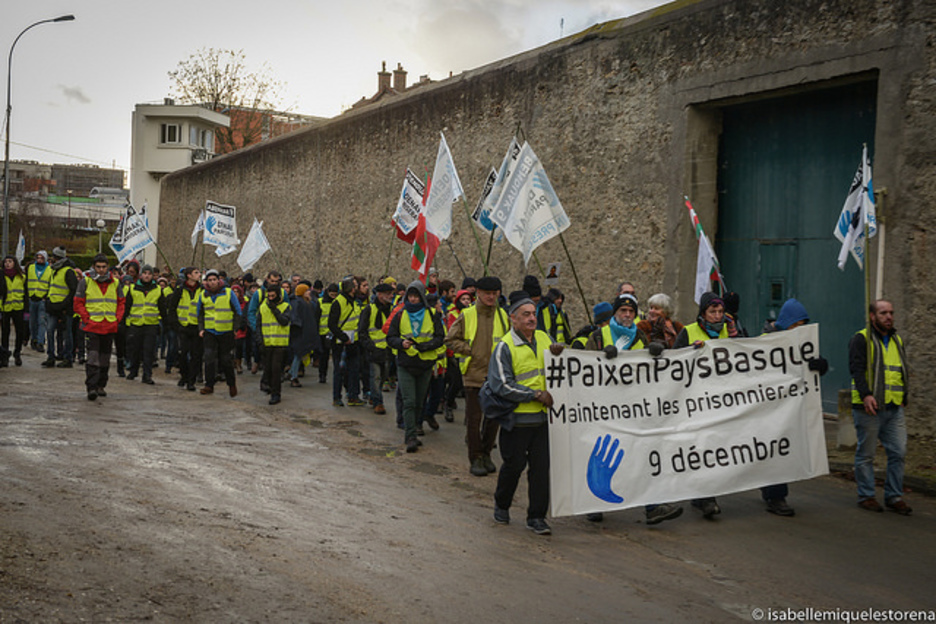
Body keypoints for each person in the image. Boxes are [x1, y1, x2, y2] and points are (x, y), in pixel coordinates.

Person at [584, 293, 684, 525]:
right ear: (615, 313)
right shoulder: (598, 337)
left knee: (643, 454)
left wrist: (656, 353)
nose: (627, 315)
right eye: (623, 311)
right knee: (601, 455)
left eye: (631, 312)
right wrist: (600, 358)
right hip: (604, 408)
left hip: (634, 407)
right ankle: (593, 504)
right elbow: (582, 369)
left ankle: (652, 507)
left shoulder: (639, 336)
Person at [488, 291, 561, 535]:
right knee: (513, 466)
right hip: (516, 421)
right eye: (526, 315)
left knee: (541, 471)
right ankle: (502, 504)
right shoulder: (504, 347)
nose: (532, 319)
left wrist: (561, 352)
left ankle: (537, 517)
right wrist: (535, 395)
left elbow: (561, 365)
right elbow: (501, 385)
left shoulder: (543, 337)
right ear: (513, 319)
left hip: (542, 421)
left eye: (533, 314)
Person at [758, 298, 829, 517]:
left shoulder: (803, 343)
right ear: (785, 323)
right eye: (795, 325)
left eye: (802, 325)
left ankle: (773, 491)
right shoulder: (764, 341)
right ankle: (776, 496)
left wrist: (820, 366)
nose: (799, 329)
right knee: (774, 451)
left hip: (790, 408)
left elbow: (810, 368)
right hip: (767, 406)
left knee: (781, 451)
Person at [849, 299, 912, 515]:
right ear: (873, 316)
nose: (889, 317)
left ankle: (894, 496)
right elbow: (856, 369)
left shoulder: (896, 340)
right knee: (866, 454)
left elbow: (900, 369)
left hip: (894, 406)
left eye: (891, 313)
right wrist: (866, 394)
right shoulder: (861, 338)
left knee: (899, 451)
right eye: (883, 313)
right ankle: (866, 495)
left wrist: (904, 394)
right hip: (869, 407)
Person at [444, 276, 510, 476]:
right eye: (487, 293)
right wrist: (469, 350)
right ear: (478, 294)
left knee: (494, 419)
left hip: (496, 376)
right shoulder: (467, 315)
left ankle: (486, 454)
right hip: (473, 374)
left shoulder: (502, 316)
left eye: (494, 293)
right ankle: (475, 457)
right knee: (473, 419)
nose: (491, 297)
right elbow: (450, 339)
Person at [673, 292, 731, 518]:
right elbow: (673, 361)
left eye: (720, 312)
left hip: (723, 399)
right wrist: (691, 353)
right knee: (703, 447)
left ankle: (702, 495)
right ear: (703, 314)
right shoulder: (688, 332)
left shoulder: (731, 330)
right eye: (713, 312)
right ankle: (707, 497)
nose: (718, 316)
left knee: (717, 447)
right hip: (696, 402)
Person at [386, 280, 445, 452]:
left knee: (419, 401)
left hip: (425, 364)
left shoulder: (433, 314)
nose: (412, 300)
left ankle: (414, 428)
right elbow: (391, 337)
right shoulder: (399, 314)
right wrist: (400, 343)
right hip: (406, 364)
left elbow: (440, 337)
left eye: (416, 296)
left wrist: (426, 346)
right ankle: (410, 436)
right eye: (410, 296)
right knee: (409, 401)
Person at [74, 255, 125, 401]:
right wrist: (86, 318)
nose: (101, 270)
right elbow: (78, 302)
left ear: (108, 267)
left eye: (104, 267)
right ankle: (91, 387)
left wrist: (117, 319)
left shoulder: (115, 283)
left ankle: (101, 385)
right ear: (93, 267)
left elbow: (121, 302)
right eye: (98, 267)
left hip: (109, 325)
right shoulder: (86, 282)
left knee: (105, 359)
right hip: (93, 326)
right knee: (92, 358)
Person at [197, 269, 241, 397]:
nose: (212, 282)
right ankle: (209, 385)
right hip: (210, 331)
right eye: (209, 280)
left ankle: (231, 384)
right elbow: (200, 314)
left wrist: (235, 329)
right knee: (209, 358)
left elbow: (237, 311)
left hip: (226, 331)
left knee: (226, 359)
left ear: (218, 280)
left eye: (214, 280)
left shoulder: (228, 293)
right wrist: (201, 328)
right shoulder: (203, 295)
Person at [125, 265, 166, 384]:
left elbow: (162, 308)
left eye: (149, 273)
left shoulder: (158, 289)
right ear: (141, 275)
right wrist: (123, 322)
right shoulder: (133, 288)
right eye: (145, 273)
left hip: (151, 324)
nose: (147, 276)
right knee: (135, 350)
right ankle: (133, 371)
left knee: (149, 351)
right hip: (136, 324)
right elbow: (127, 307)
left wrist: (166, 323)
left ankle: (147, 375)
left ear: (152, 276)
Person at [328, 277, 364, 407]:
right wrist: (344, 337)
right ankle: (337, 397)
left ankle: (353, 396)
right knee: (339, 371)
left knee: (354, 370)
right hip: (340, 343)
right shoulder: (338, 302)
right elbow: (331, 324)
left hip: (354, 342)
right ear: (352, 289)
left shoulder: (355, 302)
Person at [359, 282, 393, 414]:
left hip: (387, 350)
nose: (390, 296)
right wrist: (370, 346)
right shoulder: (369, 309)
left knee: (383, 377)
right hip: (374, 350)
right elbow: (362, 331)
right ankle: (378, 402)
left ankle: (374, 396)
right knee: (376, 377)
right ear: (379, 295)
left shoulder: (391, 310)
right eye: (387, 294)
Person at [168, 267, 202, 391]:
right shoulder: (180, 290)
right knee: (182, 355)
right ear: (189, 275)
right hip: (183, 327)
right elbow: (172, 309)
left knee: (196, 356)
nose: (199, 275)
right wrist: (176, 325)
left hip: (196, 328)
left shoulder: (202, 290)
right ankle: (184, 376)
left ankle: (191, 381)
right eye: (196, 273)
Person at [43, 247, 78, 369]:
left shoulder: (68, 271)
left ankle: (68, 358)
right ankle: (51, 356)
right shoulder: (54, 270)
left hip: (64, 308)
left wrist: (64, 305)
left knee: (67, 333)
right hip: (53, 306)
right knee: (50, 331)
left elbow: (73, 290)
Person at [259, 283, 291, 405]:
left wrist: (274, 310)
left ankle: (275, 393)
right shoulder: (263, 307)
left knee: (276, 369)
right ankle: (268, 386)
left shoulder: (286, 307)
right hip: (266, 343)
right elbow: (259, 325)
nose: (270, 298)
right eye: (269, 296)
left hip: (279, 343)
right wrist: (259, 341)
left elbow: (284, 321)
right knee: (268, 369)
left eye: (273, 296)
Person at [287, 283, 321, 388]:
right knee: (298, 355)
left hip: (305, 333)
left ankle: (292, 372)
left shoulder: (307, 303)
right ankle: (293, 375)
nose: (309, 292)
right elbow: (296, 318)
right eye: (306, 291)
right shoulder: (298, 303)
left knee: (300, 355)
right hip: (300, 334)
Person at [1, 256, 26, 367]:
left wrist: (27, 310)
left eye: (10, 261)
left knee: (19, 332)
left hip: (18, 307)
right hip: (5, 308)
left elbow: (26, 293)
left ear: (14, 263)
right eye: (6, 262)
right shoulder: (1, 276)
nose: (7, 264)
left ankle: (17, 353)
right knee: (5, 333)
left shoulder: (22, 276)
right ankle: (4, 355)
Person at [26, 250, 51, 352]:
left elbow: (50, 284)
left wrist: (47, 296)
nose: (39, 260)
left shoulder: (49, 269)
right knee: (32, 322)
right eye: (38, 258)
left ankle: (40, 342)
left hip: (42, 299)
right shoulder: (31, 267)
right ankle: (34, 339)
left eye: (41, 258)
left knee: (42, 321)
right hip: (32, 298)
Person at [317, 283, 339, 384]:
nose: (333, 297)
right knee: (324, 355)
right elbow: (317, 317)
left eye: (335, 295)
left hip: (334, 332)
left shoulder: (337, 302)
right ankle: (322, 374)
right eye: (332, 294)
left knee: (335, 355)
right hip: (323, 332)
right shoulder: (320, 302)